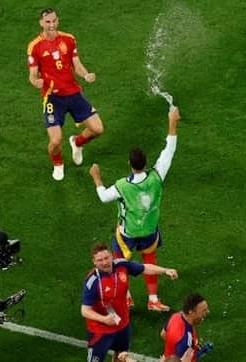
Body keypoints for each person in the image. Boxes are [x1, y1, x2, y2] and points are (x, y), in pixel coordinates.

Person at [89, 107, 181, 312]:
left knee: (119, 263)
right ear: (146, 162)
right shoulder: (157, 176)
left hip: (127, 233)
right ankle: (153, 299)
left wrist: (96, 177)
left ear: (129, 163)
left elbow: (104, 197)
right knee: (150, 259)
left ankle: (127, 296)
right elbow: (170, 150)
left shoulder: (122, 186)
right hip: (149, 230)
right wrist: (172, 122)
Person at [27, 8, 105, 181]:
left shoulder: (68, 39)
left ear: (58, 20)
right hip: (53, 98)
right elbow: (32, 75)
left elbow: (76, 64)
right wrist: (36, 82)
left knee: (98, 129)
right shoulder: (35, 46)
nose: (52, 24)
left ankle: (77, 143)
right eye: (48, 21)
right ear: (41, 23)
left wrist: (85, 75)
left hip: (74, 93)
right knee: (55, 141)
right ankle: (58, 163)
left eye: (54, 20)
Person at [81, 242, 178, 362]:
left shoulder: (122, 265)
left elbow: (145, 268)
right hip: (100, 330)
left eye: (106, 258)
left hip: (122, 325)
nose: (105, 262)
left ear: (111, 256)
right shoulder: (92, 281)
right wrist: (104, 319)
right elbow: (85, 310)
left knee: (121, 357)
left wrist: (165, 270)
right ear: (94, 262)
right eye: (100, 260)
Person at [161, 293, 210, 362]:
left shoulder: (176, 316)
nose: (208, 312)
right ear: (191, 312)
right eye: (204, 311)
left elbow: (163, 334)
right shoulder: (185, 341)